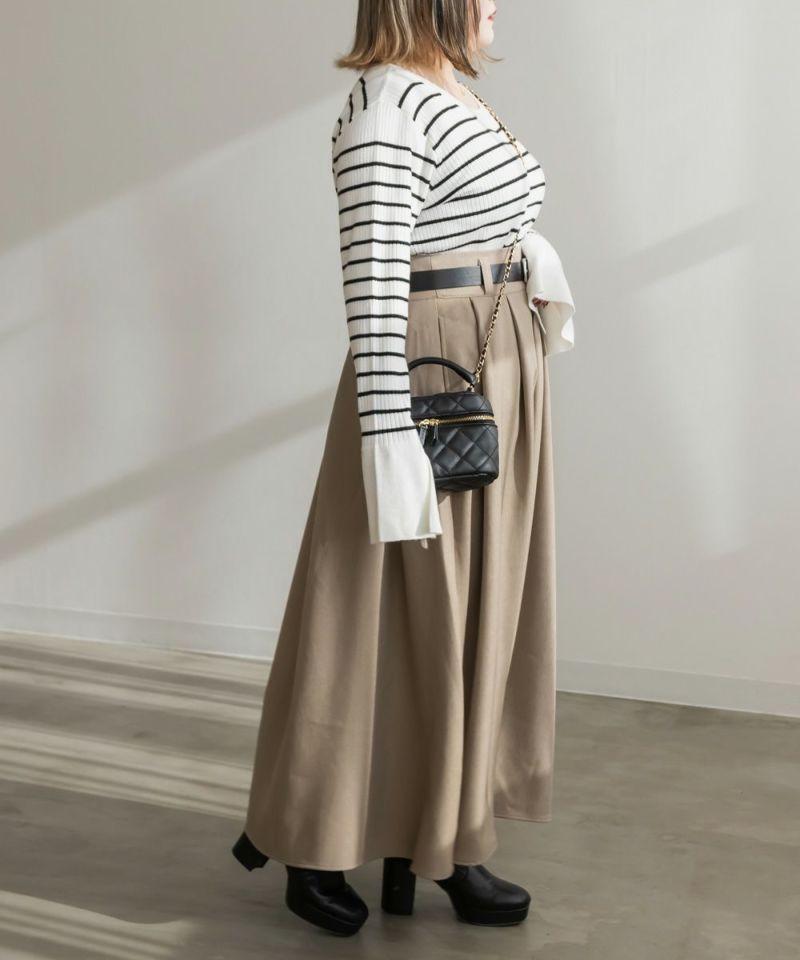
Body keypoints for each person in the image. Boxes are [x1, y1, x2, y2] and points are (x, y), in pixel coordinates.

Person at [231, 0, 575, 937]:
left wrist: (531, 281)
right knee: (377, 611)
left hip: (495, 357)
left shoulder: (448, 88)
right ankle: (313, 844)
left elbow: (485, 216)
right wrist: (387, 436)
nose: (497, 2)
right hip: (430, 373)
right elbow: (375, 278)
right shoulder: (387, 106)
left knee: (474, 612)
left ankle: (446, 840)